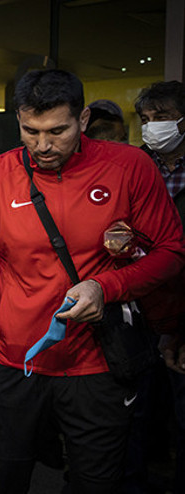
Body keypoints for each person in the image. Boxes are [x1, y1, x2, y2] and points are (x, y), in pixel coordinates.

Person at [0, 69, 185, 494]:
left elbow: (171, 253)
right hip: (13, 358)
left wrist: (106, 287)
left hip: (96, 362)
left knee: (97, 480)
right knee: (3, 474)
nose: (42, 145)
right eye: (30, 131)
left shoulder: (129, 166)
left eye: (57, 130)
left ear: (84, 118)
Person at [134, 80, 185, 493]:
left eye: (163, 118)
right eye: (147, 120)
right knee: (137, 411)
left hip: (181, 308)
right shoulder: (137, 167)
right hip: (142, 306)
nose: (153, 128)